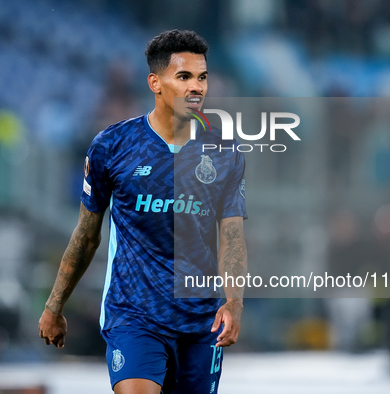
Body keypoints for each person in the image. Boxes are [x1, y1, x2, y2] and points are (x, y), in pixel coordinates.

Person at [38, 29, 247, 394]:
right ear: (156, 83)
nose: (195, 87)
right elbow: (87, 234)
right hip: (134, 315)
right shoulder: (112, 146)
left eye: (202, 77)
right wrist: (55, 306)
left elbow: (232, 237)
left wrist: (234, 302)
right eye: (183, 77)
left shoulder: (225, 154)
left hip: (200, 321)